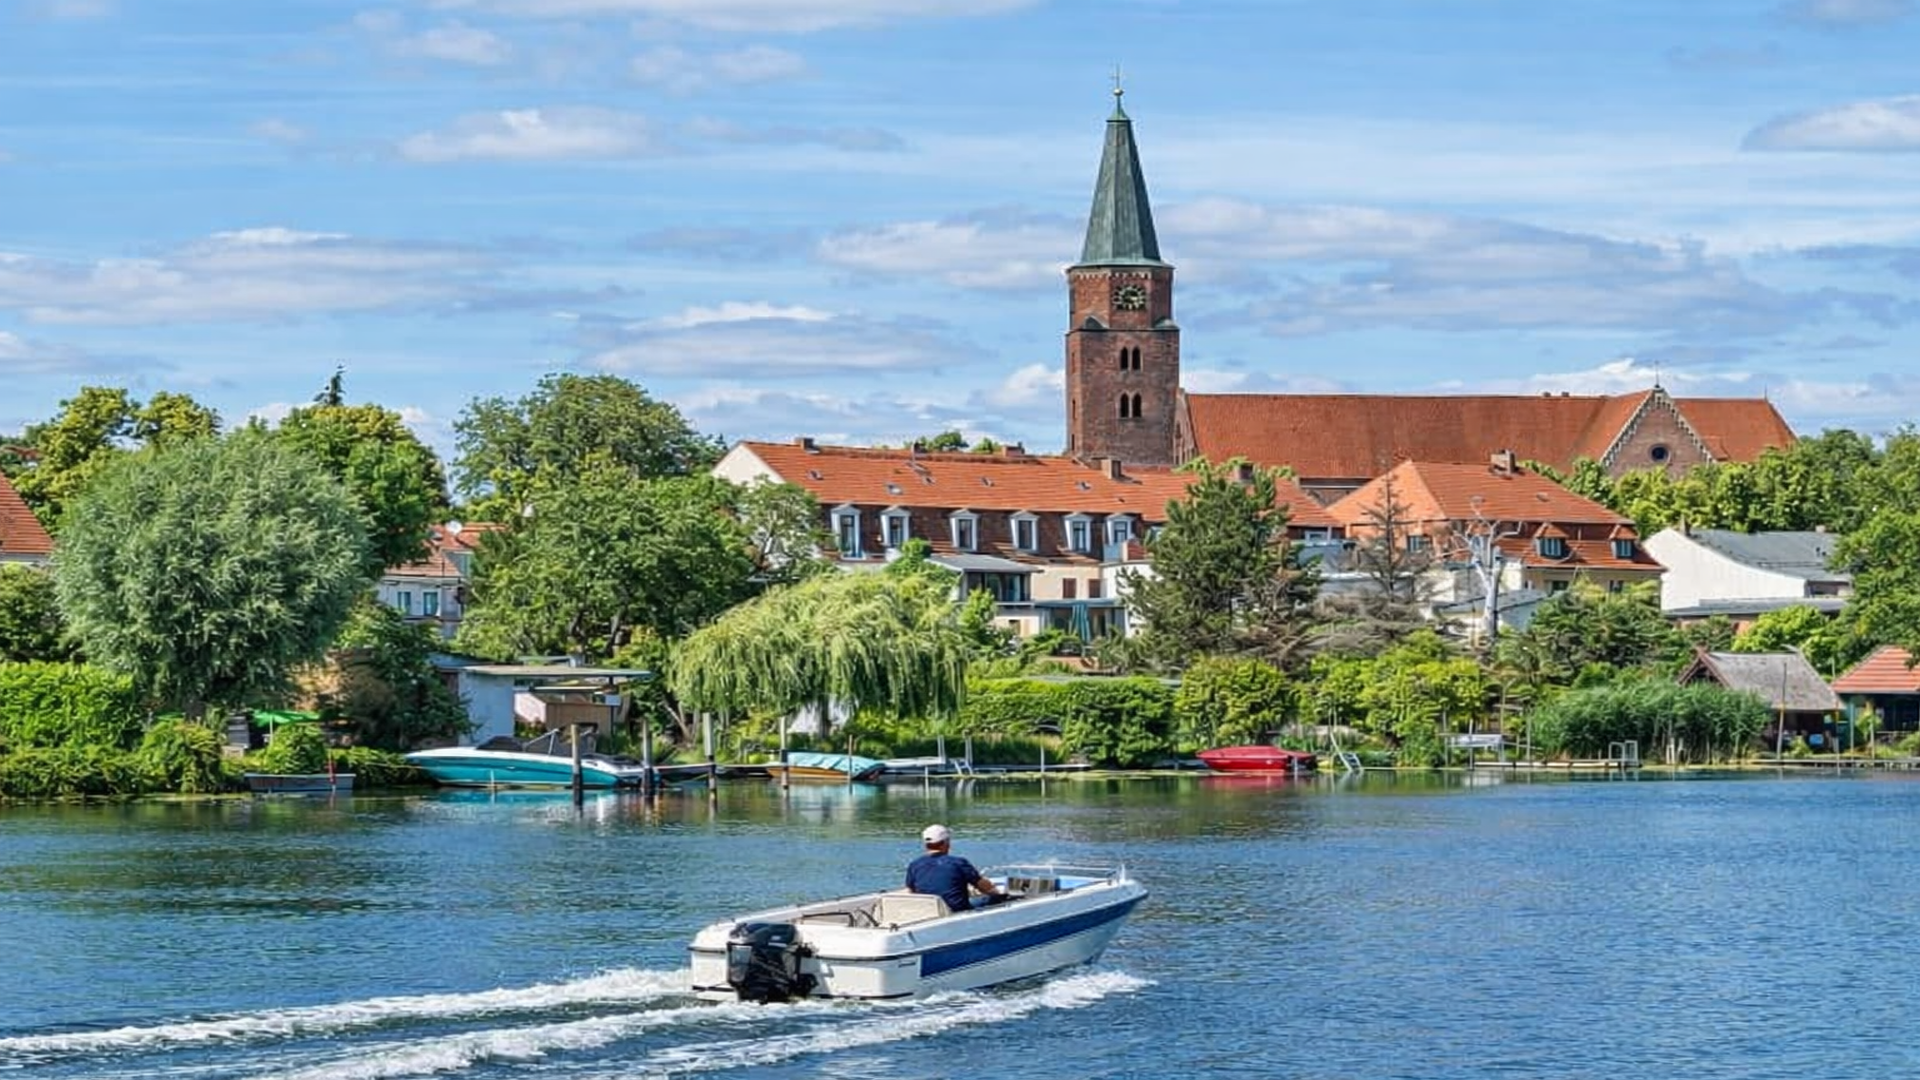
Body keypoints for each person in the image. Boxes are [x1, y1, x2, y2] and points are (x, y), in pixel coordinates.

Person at [905, 823, 1005, 913]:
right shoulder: (958, 863)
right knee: (994, 898)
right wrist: (998, 893)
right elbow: (985, 888)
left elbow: (911, 891)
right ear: (946, 843)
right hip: (957, 911)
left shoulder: (914, 865)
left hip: (928, 912)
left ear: (926, 845)